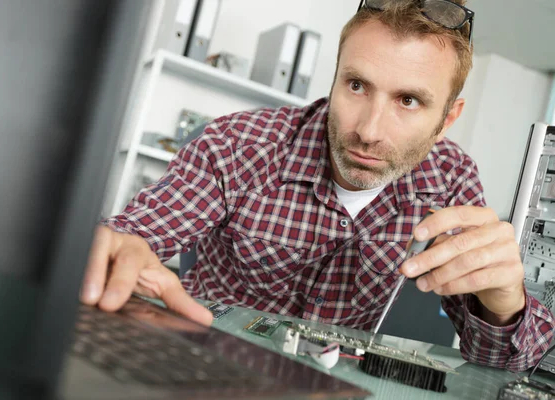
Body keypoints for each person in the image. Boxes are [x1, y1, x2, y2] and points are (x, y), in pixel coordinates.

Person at [81, 0, 554, 371]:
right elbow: (131, 232)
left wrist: (504, 307)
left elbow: (505, 362)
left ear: (448, 118)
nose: (369, 130)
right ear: (334, 78)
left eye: (408, 100)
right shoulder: (236, 143)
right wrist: (114, 246)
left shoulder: (451, 180)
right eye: (356, 86)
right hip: (205, 365)